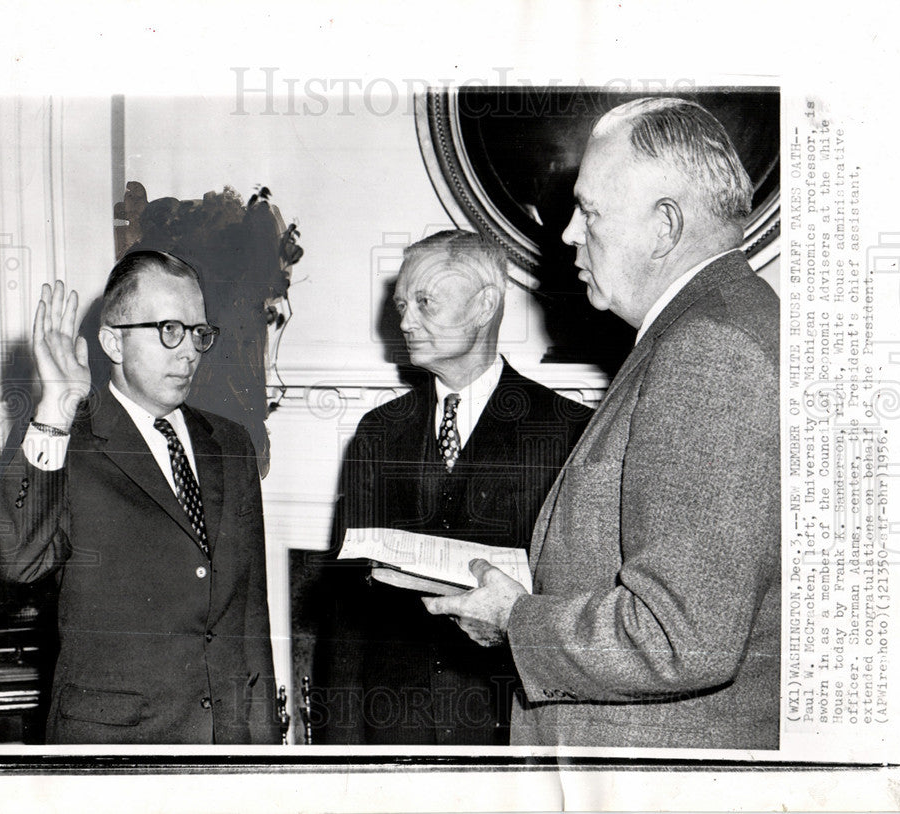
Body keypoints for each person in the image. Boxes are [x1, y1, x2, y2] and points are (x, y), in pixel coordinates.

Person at [424, 98, 781, 750]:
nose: (566, 234)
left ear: (665, 226)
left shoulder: (708, 347)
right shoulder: (713, 323)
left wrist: (516, 621)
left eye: (588, 211)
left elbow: (680, 636)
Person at [0, 250, 278, 745]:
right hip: (115, 750)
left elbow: (251, 618)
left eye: (199, 333)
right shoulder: (61, 437)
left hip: (226, 749)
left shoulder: (231, 443)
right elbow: (12, 562)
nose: (189, 352)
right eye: (169, 330)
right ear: (111, 342)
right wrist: (55, 404)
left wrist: (266, 755)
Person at [310, 230, 592, 745]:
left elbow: (575, 611)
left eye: (424, 302)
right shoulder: (378, 431)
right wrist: (339, 751)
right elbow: (343, 616)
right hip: (393, 729)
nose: (405, 322)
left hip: (509, 729)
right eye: (401, 305)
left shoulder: (568, 431)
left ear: (484, 304)